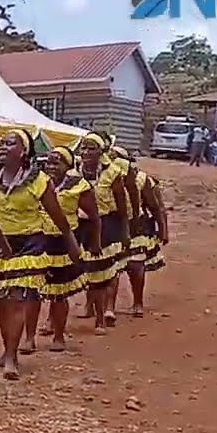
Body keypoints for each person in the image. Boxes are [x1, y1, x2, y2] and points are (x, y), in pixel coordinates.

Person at [0, 129, 80, 380]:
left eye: (10, 143)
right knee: (3, 301)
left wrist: (71, 243)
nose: (3, 146)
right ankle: (7, 350)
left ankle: (12, 356)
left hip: (29, 245)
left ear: (24, 151)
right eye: (2, 143)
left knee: (17, 298)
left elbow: (57, 215)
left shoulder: (39, 181)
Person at [30, 146, 99, 351]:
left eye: (56, 162)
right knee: (33, 292)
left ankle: (58, 336)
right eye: (49, 162)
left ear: (68, 165)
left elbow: (94, 217)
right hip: (39, 241)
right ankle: (28, 337)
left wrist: (93, 242)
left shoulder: (79, 187)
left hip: (64, 242)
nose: (51, 166)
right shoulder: (37, 182)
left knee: (59, 293)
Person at [75, 133, 131, 333]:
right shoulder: (73, 172)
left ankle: (105, 313)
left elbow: (122, 206)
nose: (86, 152)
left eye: (91, 148)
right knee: (69, 271)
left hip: (106, 225)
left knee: (104, 270)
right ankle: (59, 319)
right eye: (83, 148)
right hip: (78, 225)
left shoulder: (113, 173)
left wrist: (125, 231)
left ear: (101, 152)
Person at [125, 162, 170, 315]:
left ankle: (138, 303)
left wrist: (163, 230)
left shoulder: (143, 180)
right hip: (111, 226)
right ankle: (102, 308)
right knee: (107, 269)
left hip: (138, 227)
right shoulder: (101, 177)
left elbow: (157, 207)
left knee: (135, 264)